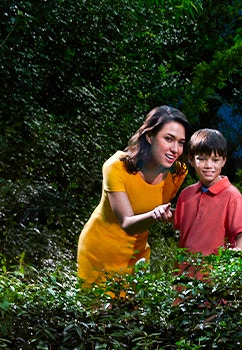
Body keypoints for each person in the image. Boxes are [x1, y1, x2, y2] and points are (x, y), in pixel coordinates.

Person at [76, 106, 189, 287]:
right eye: (168, 139)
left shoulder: (177, 173)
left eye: (181, 142)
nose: (175, 149)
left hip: (137, 257)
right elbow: (127, 223)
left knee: (134, 314)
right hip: (98, 253)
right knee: (99, 314)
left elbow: (162, 212)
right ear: (149, 136)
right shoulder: (116, 167)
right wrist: (155, 215)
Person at [173, 128, 242, 259]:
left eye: (215, 160)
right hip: (184, 274)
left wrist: (236, 254)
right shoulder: (186, 195)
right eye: (202, 159)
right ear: (191, 160)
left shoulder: (232, 195)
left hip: (216, 276)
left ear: (223, 161)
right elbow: (184, 224)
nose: (208, 165)